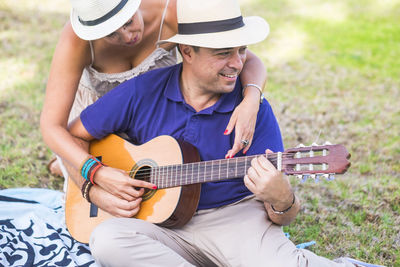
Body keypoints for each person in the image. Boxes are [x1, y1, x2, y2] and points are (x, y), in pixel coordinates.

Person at [65, 1, 384, 266]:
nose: (236, 63)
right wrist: (97, 182)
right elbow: (75, 135)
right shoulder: (142, 91)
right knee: (107, 240)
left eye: (242, 51)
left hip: (234, 220)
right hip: (157, 223)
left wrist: (282, 198)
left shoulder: (254, 112)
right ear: (187, 52)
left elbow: (282, 216)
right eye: (222, 53)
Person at [40, 0, 268, 178]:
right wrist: (92, 168)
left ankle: (63, 163)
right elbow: (51, 126)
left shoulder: (171, 13)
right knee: (93, 198)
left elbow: (243, 58)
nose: (127, 36)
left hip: (155, 113)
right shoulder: (77, 39)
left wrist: (251, 100)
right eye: (111, 34)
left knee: (154, 178)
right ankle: (64, 164)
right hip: (97, 115)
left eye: (128, 21)